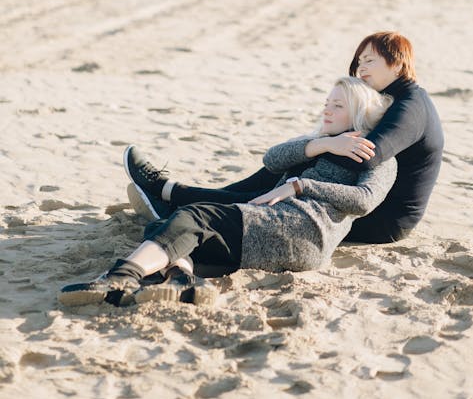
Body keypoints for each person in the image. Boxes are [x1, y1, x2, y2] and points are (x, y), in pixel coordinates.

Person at [59, 77, 397, 307]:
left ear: (357, 112)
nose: (326, 110)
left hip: (304, 229)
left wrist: (301, 185)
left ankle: (120, 277)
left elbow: (365, 201)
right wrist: (321, 144)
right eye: (326, 102)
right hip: (272, 229)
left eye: (337, 106)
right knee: (172, 229)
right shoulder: (317, 143)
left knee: (197, 216)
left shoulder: (376, 153)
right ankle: (184, 283)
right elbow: (272, 158)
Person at [124, 31, 444, 245]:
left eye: (369, 61)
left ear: (398, 62)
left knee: (289, 173)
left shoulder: (410, 107)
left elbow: (370, 154)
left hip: (384, 220)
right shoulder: (397, 97)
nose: (360, 69)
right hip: (369, 202)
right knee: (288, 166)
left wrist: (317, 150)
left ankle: (173, 196)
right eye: (358, 62)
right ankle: (179, 196)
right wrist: (318, 145)